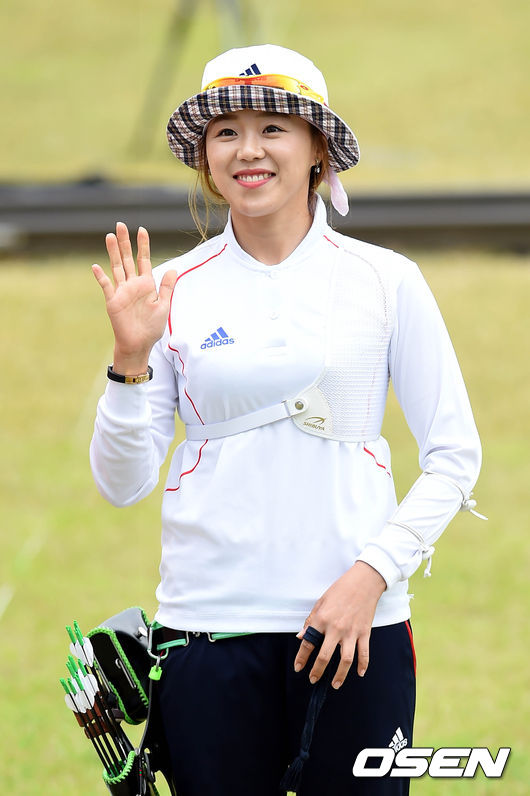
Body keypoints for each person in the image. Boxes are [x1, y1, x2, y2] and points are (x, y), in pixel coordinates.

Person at [90, 44, 482, 795]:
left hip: (356, 629)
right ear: (205, 158)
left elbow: (455, 457)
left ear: (317, 149)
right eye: (226, 132)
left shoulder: (387, 280)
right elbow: (122, 484)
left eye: (272, 128)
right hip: (206, 630)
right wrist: (128, 361)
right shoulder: (168, 288)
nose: (249, 150)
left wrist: (371, 577)